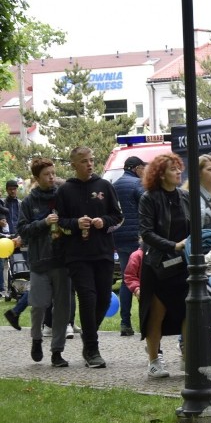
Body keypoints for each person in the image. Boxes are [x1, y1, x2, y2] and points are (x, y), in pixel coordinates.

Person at [56, 146, 123, 369]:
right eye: (84, 161)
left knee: (104, 299)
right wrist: (76, 223)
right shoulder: (65, 190)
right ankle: (92, 349)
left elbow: (117, 216)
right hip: (77, 254)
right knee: (87, 298)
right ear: (74, 165)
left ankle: (88, 336)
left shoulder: (104, 186)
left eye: (91, 160)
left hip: (103, 251)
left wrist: (104, 221)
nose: (89, 164)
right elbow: (60, 221)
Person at [17, 158, 73, 367]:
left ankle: (57, 351)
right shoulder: (29, 202)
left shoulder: (62, 196)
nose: (51, 177)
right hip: (39, 260)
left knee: (62, 309)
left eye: (52, 173)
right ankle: (36, 339)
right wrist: (43, 222)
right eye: (46, 174)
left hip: (62, 261)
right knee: (38, 305)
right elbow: (22, 230)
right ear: (37, 178)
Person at [138, 153, 190, 378]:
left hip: (183, 264)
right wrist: (174, 245)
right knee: (156, 314)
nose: (178, 172)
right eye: (172, 169)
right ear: (160, 174)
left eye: (179, 168)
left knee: (188, 311)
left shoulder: (185, 197)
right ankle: (154, 360)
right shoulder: (149, 198)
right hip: (158, 265)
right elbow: (146, 232)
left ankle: (188, 357)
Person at [112, 155, 147, 336]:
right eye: (142, 168)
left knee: (128, 279)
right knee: (143, 279)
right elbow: (146, 204)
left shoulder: (115, 185)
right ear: (134, 168)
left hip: (119, 238)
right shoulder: (137, 184)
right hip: (137, 238)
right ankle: (146, 323)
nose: (144, 172)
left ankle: (125, 323)